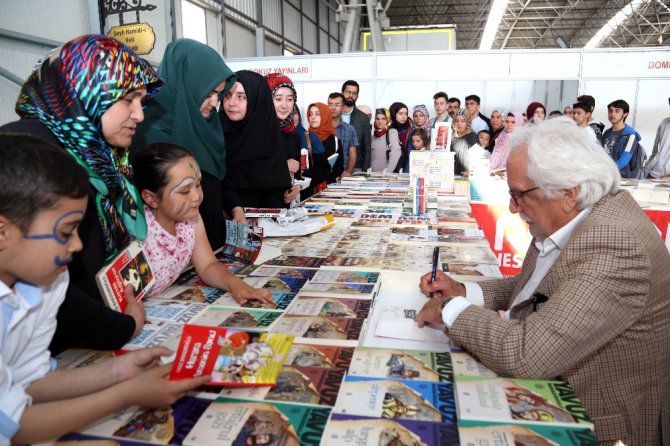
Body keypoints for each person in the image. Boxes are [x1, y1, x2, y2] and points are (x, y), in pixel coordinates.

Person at [416, 117, 670, 445]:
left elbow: (527, 353)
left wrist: (451, 308)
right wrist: (466, 291)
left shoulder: (615, 244)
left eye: (519, 194)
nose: (511, 206)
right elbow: (535, 287)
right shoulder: (578, 215)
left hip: (595, 422)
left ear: (568, 193)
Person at [0, 134, 210, 445]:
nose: (78, 245)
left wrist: (117, 372)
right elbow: (12, 426)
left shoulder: (50, 282)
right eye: (65, 231)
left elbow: (28, 381)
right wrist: (125, 394)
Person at [0, 34, 163, 353]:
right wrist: (123, 327)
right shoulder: (35, 151)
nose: (140, 115)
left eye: (142, 102)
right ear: (85, 90)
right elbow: (54, 289)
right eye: (128, 98)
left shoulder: (92, 152)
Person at [131, 38, 241, 249]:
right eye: (208, 94)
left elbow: (217, 175)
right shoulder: (147, 132)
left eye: (219, 93)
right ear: (184, 85)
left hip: (211, 249)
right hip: (172, 255)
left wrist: (235, 207)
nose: (215, 103)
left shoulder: (207, 124)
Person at [132, 142, 274, 305]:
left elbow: (207, 265)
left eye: (198, 184)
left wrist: (236, 285)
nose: (196, 197)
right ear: (152, 198)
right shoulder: (138, 233)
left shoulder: (191, 217)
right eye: (185, 191)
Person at [219, 70, 293, 209]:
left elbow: (278, 188)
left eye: (241, 97)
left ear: (257, 100)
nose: (232, 103)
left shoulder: (270, 136)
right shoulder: (214, 134)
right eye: (227, 95)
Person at [265, 73, 301, 204]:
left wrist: (297, 187)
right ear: (267, 99)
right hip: (261, 210)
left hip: (284, 210)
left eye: (290, 99)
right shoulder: (258, 131)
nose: (285, 105)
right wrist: (282, 165)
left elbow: (295, 171)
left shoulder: (292, 133)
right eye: (278, 99)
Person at [292, 105, 331, 200]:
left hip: (305, 197)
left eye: (294, 113)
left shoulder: (310, 138)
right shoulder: (271, 136)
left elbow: (324, 169)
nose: (291, 117)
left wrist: (301, 179)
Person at [602, 99, 644, 179]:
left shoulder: (630, 135)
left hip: (622, 179)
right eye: (610, 111)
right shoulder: (606, 133)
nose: (612, 114)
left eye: (617, 111)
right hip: (606, 177)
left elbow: (624, 161)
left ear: (625, 114)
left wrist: (604, 171)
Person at [307, 102, 344, 183]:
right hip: (307, 189)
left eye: (317, 114)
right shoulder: (305, 138)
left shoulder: (335, 141)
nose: (313, 117)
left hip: (328, 188)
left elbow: (340, 167)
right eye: (310, 114)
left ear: (325, 116)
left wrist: (327, 171)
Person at [341, 80, 372, 171]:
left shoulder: (363, 118)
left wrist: (365, 171)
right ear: (342, 93)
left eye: (354, 93)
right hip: (334, 167)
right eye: (348, 92)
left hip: (356, 168)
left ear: (357, 96)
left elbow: (367, 148)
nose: (351, 95)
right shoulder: (332, 115)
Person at [328, 92, 358, 176]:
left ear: (343, 107)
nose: (333, 108)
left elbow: (352, 153)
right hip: (323, 174)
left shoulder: (350, 129)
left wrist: (348, 172)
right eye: (330, 104)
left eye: (337, 105)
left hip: (343, 174)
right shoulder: (321, 128)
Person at [489, 109, 523, 173]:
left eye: (513, 122)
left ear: (518, 122)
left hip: (508, 176)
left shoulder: (520, 139)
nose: (509, 124)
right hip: (494, 172)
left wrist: (501, 173)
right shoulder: (501, 135)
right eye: (507, 121)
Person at [643, 97, 670, 179]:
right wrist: (645, 170)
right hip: (653, 174)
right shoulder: (664, 122)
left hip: (667, 178)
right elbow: (655, 151)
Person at [371, 107, 402, 172]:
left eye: (383, 119)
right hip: (373, 176)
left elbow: (396, 153)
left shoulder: (392, 132)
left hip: (386, 177)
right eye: (377, 119)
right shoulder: (373, 136)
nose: (380, 121)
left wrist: (388, 172)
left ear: (388, 120)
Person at [450, 108, 477, 176]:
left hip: (465, 175)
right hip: (450, 174)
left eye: (463, 121)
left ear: (467, 121)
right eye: (456, 121)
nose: (459, 124)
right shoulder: (450, 134)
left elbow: (477, 158)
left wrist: (471, 172)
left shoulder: (472, 136)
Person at [389, 101, 412, 172]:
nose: (404, 116)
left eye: (406, 114)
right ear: (393, 114)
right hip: (389, 166)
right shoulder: (388, 129)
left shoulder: (410, 130)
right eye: (400, 113)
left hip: (405, 167)